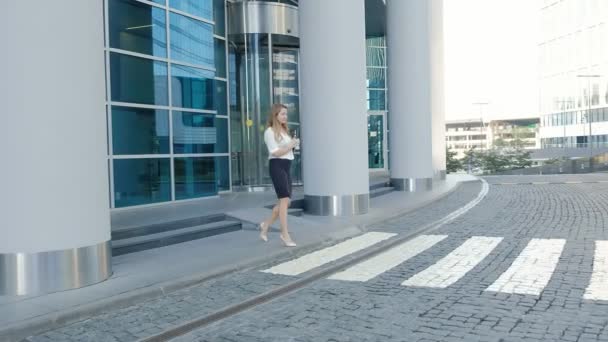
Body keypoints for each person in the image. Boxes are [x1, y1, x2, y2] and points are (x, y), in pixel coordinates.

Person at [259, 103, 299, 247]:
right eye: (282, 114)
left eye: (286, 114)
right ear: (275, 115)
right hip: (277, 165)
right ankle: (284, 234)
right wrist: (290, 145)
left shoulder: (284, 131)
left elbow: (287, 151)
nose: (285, 116)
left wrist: (293, 144)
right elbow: (275, 152)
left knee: (286, 202)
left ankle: (266, 225)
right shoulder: (269, 132)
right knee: (283, 200)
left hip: (287, 166)